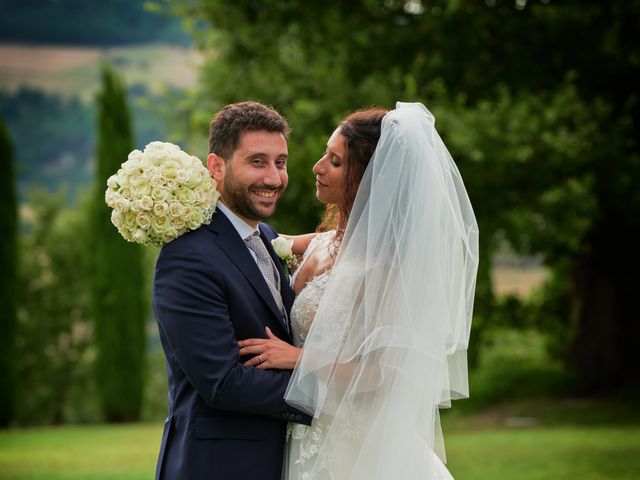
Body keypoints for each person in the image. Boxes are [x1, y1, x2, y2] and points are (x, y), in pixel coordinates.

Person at [239, 102, 479, 479]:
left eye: (334, 161)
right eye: (325, 154)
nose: (317, 167)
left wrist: (300, 359)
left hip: (357, 448)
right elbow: (255, 240)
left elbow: (383, 377)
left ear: (371, 179)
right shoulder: (322, 243)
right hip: (305, 431)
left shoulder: (384, 268)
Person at [152, 101, 312, 480]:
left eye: (281, 162)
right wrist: (334, 390)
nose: (274, 178)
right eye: (257, 162)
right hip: (217, 466)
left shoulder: (269, 239)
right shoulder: (188, 257)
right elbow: (223, 383)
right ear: (216, 167)